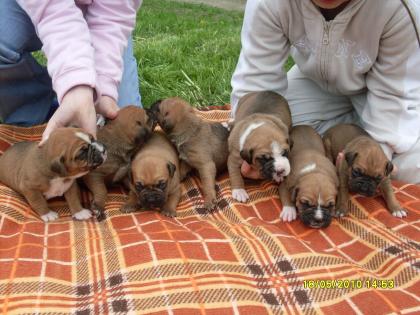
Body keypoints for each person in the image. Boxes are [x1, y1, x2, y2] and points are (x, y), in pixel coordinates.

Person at [231, 0, 420, 183]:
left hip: (389, 90)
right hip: (315, 83)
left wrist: (376, 152)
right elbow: (257, 87)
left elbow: (395, 95)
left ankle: (351, 137)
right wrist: (250, 144)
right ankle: (346, 135)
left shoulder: (399, 6)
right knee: (277, 131)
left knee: (406, 168)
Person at [0, 0, 143, 144]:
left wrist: (104, 83)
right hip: (39, 6)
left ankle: (72, 105)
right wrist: (76, 85)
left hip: (108, 20)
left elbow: (114, 16)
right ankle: (35, 114)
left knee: (125, 123)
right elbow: (53, 11)